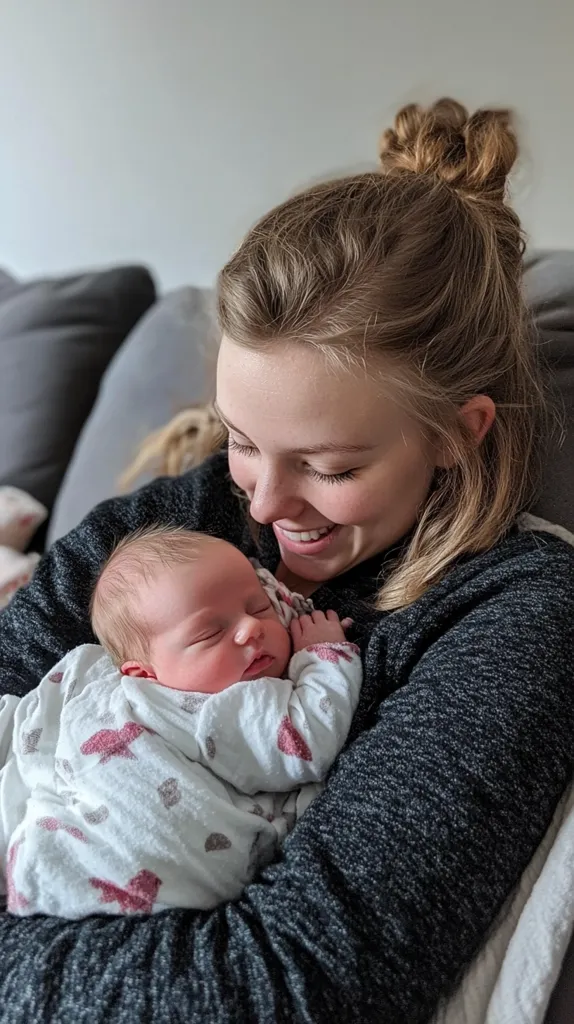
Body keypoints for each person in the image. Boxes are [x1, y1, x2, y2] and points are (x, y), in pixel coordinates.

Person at [0, 97, 573, 1023]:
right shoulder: (181, 515)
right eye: (242, 440)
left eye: (329, 466)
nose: (261, 509)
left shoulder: (511, 619)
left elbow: (286, 989)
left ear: (455, 435)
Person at [0, 527, 360, 918]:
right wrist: (325, 656)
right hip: (66, 837)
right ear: (142, 674)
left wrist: (316, 652)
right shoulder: (214, 703)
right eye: (210, 633)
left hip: (114, 873)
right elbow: (31, 722)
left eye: (258, 607)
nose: (251, 628)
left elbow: (305, 741)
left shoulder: (245, 698)